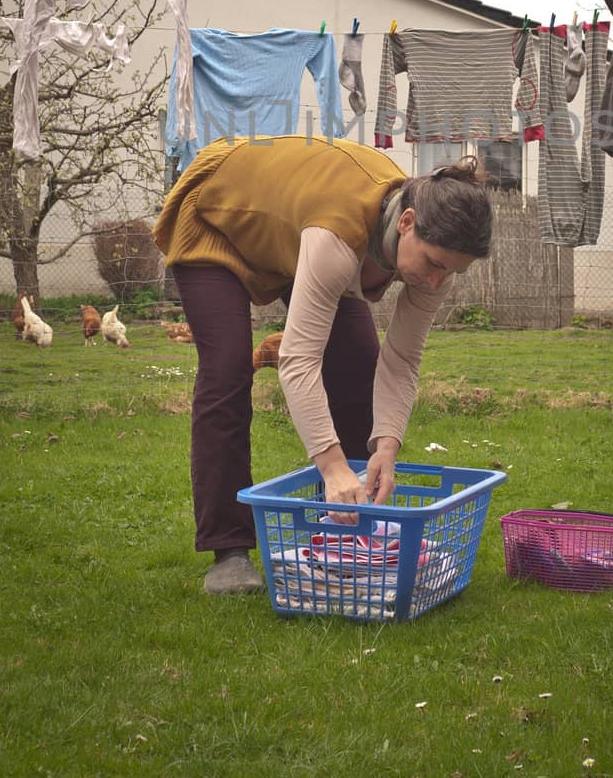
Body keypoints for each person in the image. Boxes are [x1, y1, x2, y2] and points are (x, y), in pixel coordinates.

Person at [153, 134, 493, 593]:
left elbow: (402, 361)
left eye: (450, 271)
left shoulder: (430, 255)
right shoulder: (340, 234)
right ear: (407, 223)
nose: (437, 280)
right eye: (433, 263)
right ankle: (228, 550)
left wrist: (386, 450)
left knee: (359, 363)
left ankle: (343, 531)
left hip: (292, 235)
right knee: (229, 369)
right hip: (218, 214)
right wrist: (332, 465)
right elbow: (296, 361)